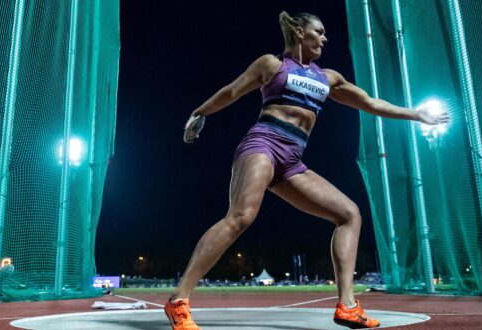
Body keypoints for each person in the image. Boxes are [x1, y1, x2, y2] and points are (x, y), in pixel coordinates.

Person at [164, 11, 449, 330]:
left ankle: (348, 306)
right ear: (300, 32)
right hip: (263, 144)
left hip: (293, 160)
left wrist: (415, 114)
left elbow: (369, 103)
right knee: (242, 216)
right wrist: (199, 112)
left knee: (349, 214)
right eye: (320, 31)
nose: (325, 38)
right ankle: (179, 300)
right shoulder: (271, 65)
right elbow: (232, 91)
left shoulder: (328, 78)